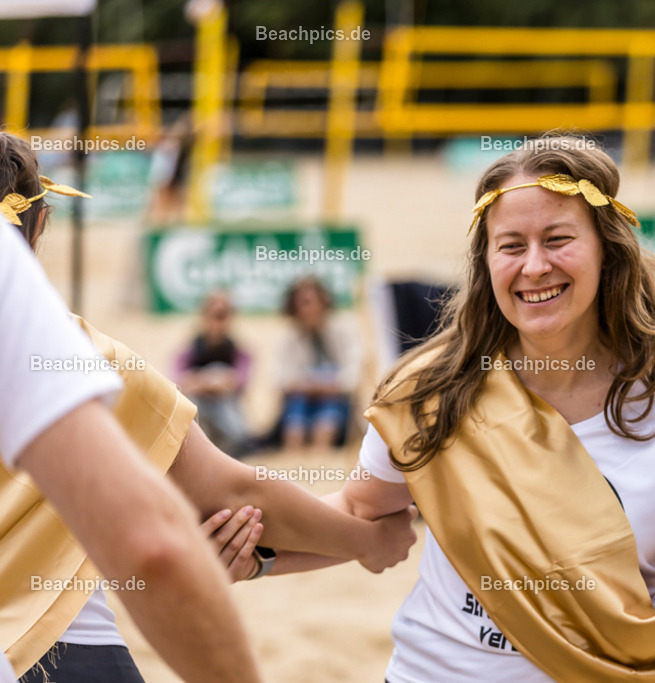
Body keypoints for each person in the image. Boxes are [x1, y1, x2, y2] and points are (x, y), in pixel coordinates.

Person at [257, 135, 655, 681]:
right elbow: (359, 517)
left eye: (558, 239)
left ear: (607, 249)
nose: (534, 266)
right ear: (486, 260)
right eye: (511, 245)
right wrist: (252, 552)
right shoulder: (433, 390)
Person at [0, 131, 417, 682]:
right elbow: (224, 500)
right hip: (40, 643)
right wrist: (368, 539)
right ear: (39, 224)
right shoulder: (74, 354)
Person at [0, 213, 264, 682]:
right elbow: (162, 540)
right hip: (51, 638)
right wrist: (362, 537)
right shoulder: (87, 351)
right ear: (38, 225)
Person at [278, 276, 362, 450]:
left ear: (324, 302)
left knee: (329, 406)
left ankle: (320, 458)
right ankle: (295, 458)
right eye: (300, 304)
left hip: (337, 403)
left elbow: (353, 376)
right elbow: (279, 379)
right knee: (296, 408)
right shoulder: (288, 336)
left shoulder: (345, 329)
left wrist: (323, 385)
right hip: (301, 404)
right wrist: (312, 386)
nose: (305, 310)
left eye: (308, 302)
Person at [175, 290, 253, 456]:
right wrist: (214, 381)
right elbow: (177, 382)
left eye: (223, 316)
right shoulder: (189, 351)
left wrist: (201, 381)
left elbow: (240, 381)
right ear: (204, 317)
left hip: (227, 416)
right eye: (215, 315)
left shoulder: (239, 352)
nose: (218, 323)